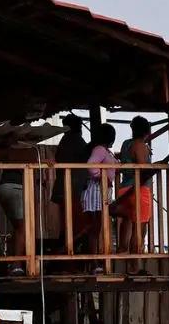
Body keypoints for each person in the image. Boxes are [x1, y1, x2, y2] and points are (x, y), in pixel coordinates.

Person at [116, 116, 154, 273]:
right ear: (147, 132)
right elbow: (143, 168)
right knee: (140, 226)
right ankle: (134, 265)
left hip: (124, 188)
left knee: (126, 222)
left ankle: (122, 252)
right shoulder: (140, 145)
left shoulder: (126, 144)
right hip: (139, 189)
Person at [50, 113, 93, 251]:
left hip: (64, 188)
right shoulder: (76, 139)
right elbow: (87, 156)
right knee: (76, 224)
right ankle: (68, 256)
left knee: (67, 223)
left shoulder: (65, 140)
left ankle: (65, 255)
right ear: (77, 127)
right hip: (72, 188)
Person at [80, 124, 118, 265]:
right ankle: (94, 263)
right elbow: (91, 165)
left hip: (101, 190)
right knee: (95, 228)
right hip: (96, 190)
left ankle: (94, 261)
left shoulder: (105, 151)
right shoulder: (100, 150)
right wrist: (102, 176)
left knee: (96, 228)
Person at [0, 162, 26, 276]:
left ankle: (11, 262)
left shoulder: (8, 147)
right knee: (23, 227)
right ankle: (17, 265)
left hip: (3, 187)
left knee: (17, 228)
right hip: (17, 187)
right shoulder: (26, 147)